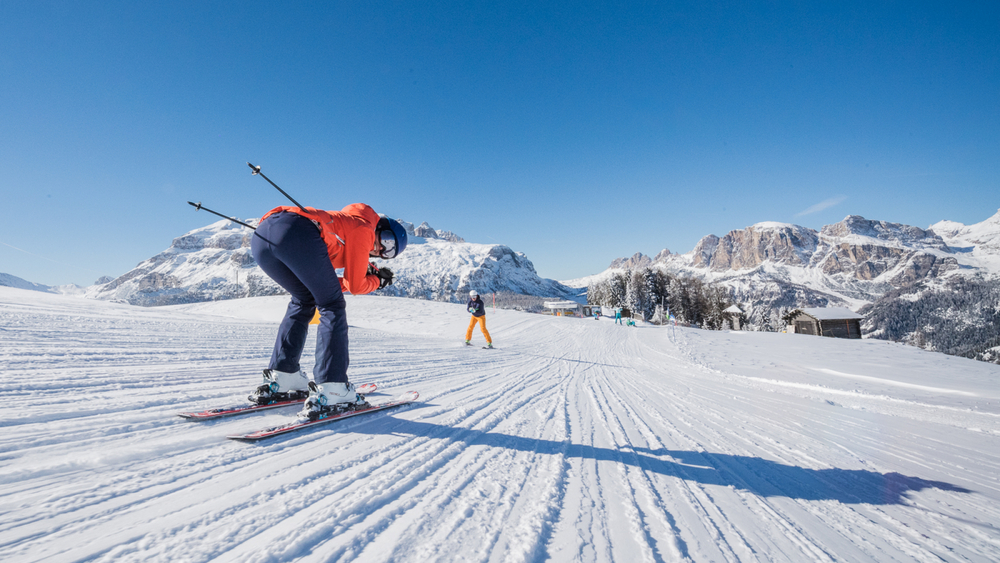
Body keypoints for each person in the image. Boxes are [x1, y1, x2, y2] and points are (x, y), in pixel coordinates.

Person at [248, 203, 407, 417]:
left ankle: (283, 375)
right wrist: (377, 281)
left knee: (304, 298)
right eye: (387, 240)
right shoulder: (364, 227)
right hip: (298, 232)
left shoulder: (348, 227)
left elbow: (323, 285)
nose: (381, 249)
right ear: (380, 227)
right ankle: (333, 387)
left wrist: (366, 275)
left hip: (263, 238)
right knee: (333, 306)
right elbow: (356, 287)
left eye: (389, 252)